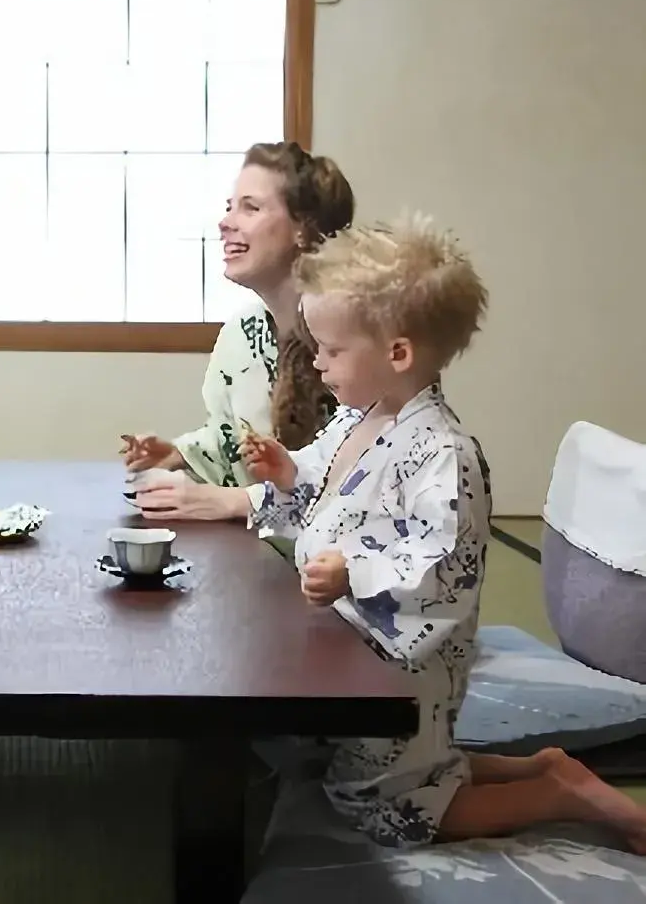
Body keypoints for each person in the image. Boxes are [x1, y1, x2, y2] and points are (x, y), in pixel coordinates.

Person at [242, 214, 646, 851]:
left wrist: (354, 572)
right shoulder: (360, 417)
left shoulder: (443, 453)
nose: (316, 361)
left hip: (404, 663)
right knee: (415, 767)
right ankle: (547, 767)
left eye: (332, 348)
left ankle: (555, 796)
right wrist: (286, 470)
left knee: (383, 802)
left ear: (397, 353)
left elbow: (439, 566)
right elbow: (323, 478)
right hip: (353, 645)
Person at [121, 141, 352, 525]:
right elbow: (233, 434)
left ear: (303, 228)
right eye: (230, 207)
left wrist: (234, 502)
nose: (226, 222)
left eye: (251, 207)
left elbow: (365, 476)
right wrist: (179, 455)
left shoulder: (356, 331)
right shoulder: (244, 332)